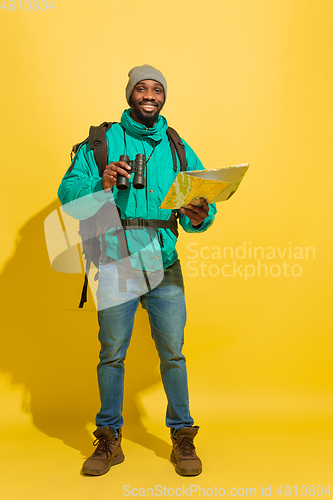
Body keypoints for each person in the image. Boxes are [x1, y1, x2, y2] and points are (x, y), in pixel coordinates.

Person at [58, 64, 217, 477]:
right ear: (130, 95)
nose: (150, 95)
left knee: (173, 355)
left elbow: (205, 201)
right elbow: (68, 192)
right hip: (114, 262)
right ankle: (109, 438)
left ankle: (182, 434)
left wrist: (200, 213)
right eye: (142, 88)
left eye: (157, 89)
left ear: (164, 97)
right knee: (111, 355)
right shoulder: (102, 141)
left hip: (164, 264)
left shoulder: (177, 144)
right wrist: (102, 182)